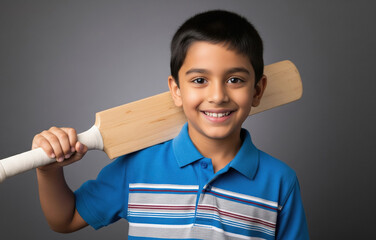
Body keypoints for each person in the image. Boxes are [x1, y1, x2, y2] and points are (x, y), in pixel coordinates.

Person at [32, 10, 309, 239]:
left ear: (258, 90)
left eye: (234, 79)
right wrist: (48, 172)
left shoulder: (280, 182)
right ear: (176, 90)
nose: (217, 96)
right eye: (200, 80)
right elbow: (65, 218)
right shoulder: (138, 168)